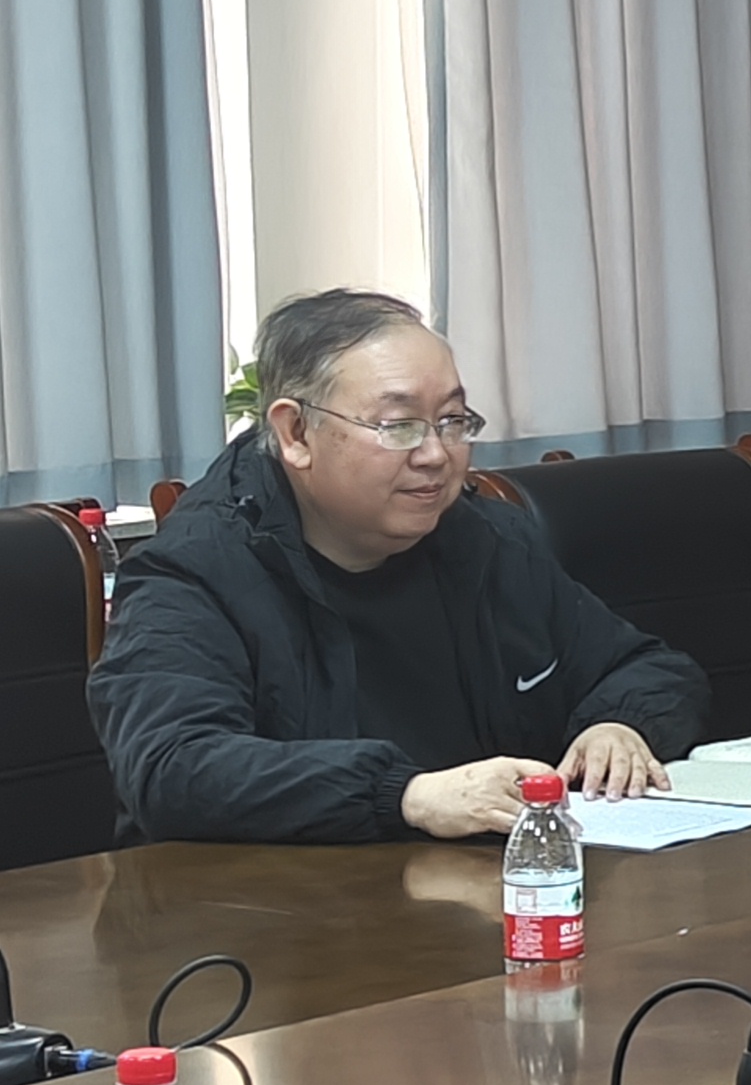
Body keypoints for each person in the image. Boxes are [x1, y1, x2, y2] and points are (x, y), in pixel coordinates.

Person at [88, 289, 705, 843]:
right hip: (266, 912)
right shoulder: (195, 571)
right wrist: (406, 796)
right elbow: (173, 768)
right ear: (296, 433)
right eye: (399, 426)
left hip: (479, 894)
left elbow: (649, 668)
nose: (436, 454)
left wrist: (618, 728)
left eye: (452, 421)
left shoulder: (484, 539)